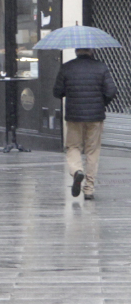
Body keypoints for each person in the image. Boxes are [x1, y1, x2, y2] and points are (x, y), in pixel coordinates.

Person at [53, 48, 117, 200]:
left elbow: (57, 92)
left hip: (74, 116)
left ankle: (76, 171)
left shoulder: (67, 67)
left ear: (76, 51)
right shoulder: (101, 67)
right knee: (92, 151)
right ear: (92, 51)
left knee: (73, 147)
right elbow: (111, 91)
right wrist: (101, 104)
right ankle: (88, 189)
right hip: (95, 116)